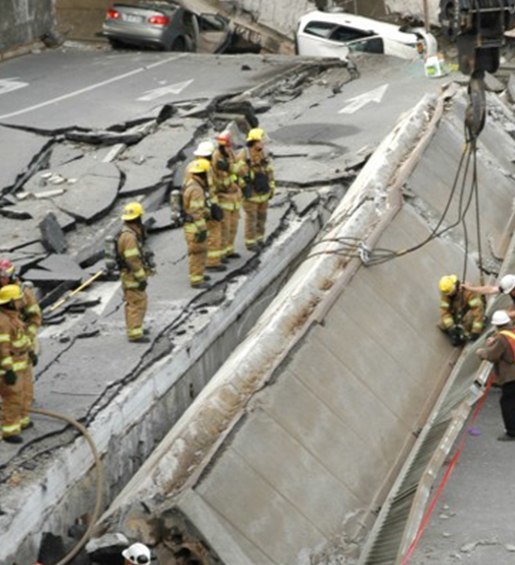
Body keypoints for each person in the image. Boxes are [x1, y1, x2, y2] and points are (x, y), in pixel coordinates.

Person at [0, 258, 41, 429]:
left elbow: (34, 317)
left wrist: (28, 342)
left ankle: (21, 418)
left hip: (20, 340)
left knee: (23, 387)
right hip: (5, 343)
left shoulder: (23, 293)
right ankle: (11, 422)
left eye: (2, 277)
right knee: (11, 390)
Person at [0, 284, 34, 444]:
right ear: (12, 301)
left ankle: (22, 419)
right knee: (13, 397)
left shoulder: (15, 317)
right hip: (12, 365)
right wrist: (8, 370)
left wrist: (31, 351)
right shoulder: (4, 322)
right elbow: (2, 348)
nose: (22, 301)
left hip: (23, 360)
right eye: (19, 299)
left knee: (26, 392)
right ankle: (9, 430)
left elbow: (22, 337)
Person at [476, 310, 515, 441]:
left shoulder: (501, 338)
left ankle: (512, 431)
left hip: (511, 375)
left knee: (507, 402)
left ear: (496, 325)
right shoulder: (512, 332)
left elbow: (492, 355)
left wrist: (481, 352)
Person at [235, 127, 276, 251]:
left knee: (261, 217)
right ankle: (251, 243)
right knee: (251, 219)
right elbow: (236, 175)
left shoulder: (263, 153)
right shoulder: (244, 156)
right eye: (261, 140)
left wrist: (272, 187)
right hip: (251, 194)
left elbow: (269, 171)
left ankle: (260, 240)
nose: (263, 142)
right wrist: (243, 187)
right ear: (254, 141)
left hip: (263, 191)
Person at [117, 202, 151, 343]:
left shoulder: (128, 233)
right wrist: (141, 277)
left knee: (138, 301)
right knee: (136, 303)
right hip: (132, 276)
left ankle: (137, 326)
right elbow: (132, 259)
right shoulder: (129, 237)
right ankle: (135, 332)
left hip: (130, 275)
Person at [190, 141, 226, 273]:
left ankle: (211, 261)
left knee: (211, 234)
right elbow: (207, 189)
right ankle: (212, 263)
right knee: (212, 234)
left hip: (207, 205)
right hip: (204, 207)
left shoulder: (197, 167)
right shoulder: (204, 169)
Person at [212, 131, 242, 260]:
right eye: (223, 146)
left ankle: (229, 250)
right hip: (223, 196)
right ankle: (221, 253)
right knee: (224, 228)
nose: (226, 148)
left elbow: (239, 169)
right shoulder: (216, 157)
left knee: (233, 226)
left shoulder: (230, 154)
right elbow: (214, 180)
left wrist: (229, 167)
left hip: (234, 196)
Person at [183, 159, 211, 289]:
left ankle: (198, 273)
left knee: (199, 252)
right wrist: (202, 228)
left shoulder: (191, 183)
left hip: (191, 226)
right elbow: (196, 212)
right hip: (195, 228)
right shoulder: (196, 190)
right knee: (197, 253)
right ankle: (196, 280)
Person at [438, 274, 485, 346]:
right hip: (459, 312)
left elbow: (477, 310)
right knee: (443, 324)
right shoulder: (446, 295)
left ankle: (476, 325)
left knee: (468, 320)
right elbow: (444, 312)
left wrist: (476, 331)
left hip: (471, 311)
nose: (448, 296)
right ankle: (458, 332)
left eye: (450, 294)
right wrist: (451, 328)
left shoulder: (468, 292)